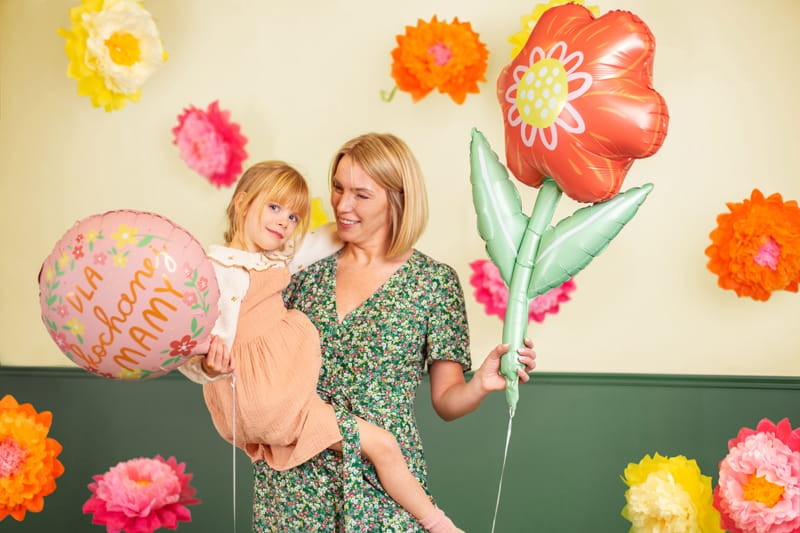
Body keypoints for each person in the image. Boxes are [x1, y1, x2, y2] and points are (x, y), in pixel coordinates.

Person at [241, 133, 537, 532]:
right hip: (293, 486)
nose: (342, 205)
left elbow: (447, 402)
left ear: (398, 199)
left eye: (361, 195)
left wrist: (481, 383)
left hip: (387, 487)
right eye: (338, 188)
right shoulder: (299, 272)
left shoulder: (433, 282)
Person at [179, 160, 465, 532]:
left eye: (293, 216)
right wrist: (207, 368)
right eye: (274, 207)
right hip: (264, 400)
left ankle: (437, 523)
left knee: (383, 446)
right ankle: (440, 524)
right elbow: (193, 339)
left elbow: (320, 239)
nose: (284, 222)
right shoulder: (222, 270)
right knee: (382, 445)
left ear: (397, 199)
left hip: (277, 404)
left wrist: (361, 226)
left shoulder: (280, 261)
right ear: (242, 202)